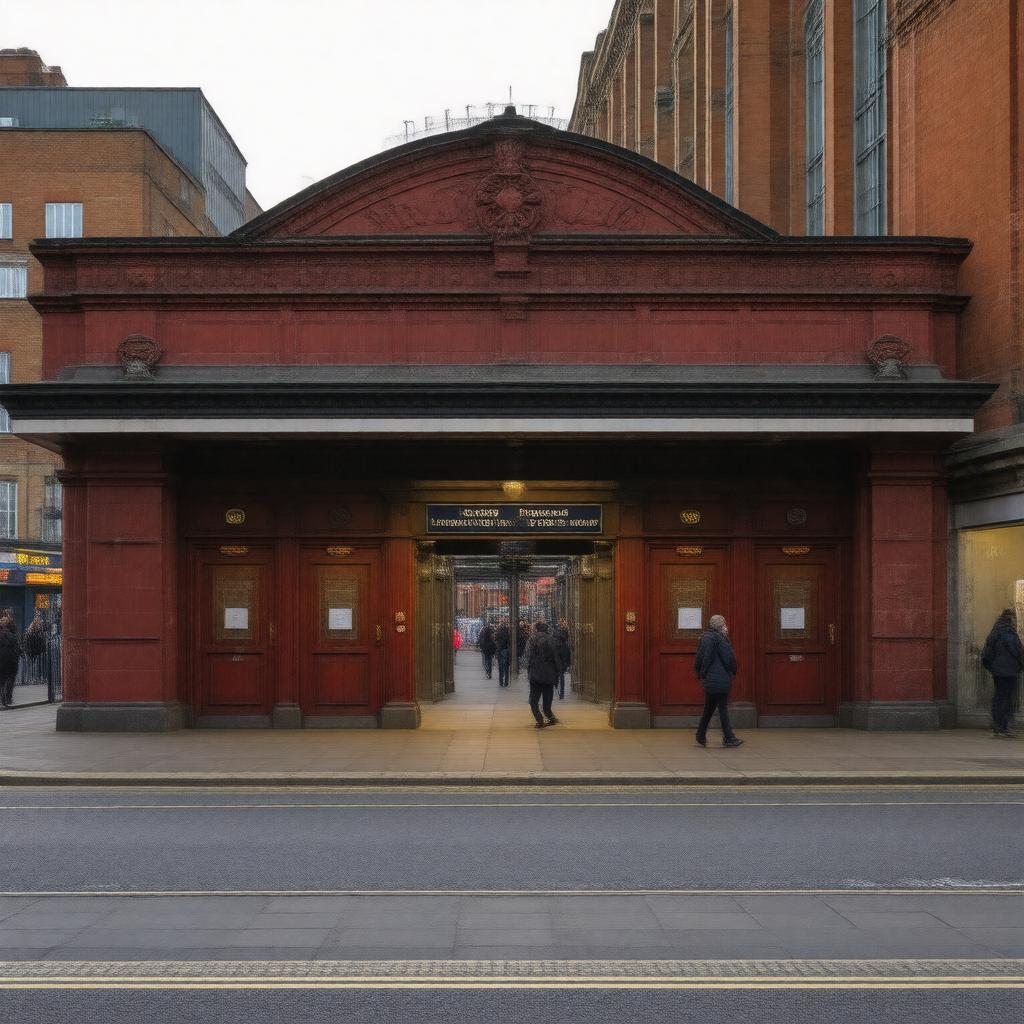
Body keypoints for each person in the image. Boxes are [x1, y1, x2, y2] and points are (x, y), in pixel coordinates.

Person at [694, 613, 743, 748]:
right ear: (721, 626)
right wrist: (733, 670)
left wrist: (700, 672)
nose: (726, 627)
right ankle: (729, 737)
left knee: (709, 708)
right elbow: (728, 658)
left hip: (710, 679)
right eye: (724, 624)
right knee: (722, 708)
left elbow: (700, 657)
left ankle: (700, 734)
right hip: (721, 679)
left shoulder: (704, 638)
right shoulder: (721, 639)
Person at [981, 608, 1024, 738]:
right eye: (1014, 619)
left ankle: (998, 727)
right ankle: (1003, 727)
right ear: (1010, 618)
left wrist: (992, 667)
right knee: (1007, 699)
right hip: (1009, 672)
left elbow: (986, 654)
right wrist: (1021, 665)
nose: (1016, 622)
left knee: (999, 697)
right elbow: (1017, 651)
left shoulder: (994, 632)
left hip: (998, 672)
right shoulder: (1009, 633)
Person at [524, 621, 564, 729]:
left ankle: (539, 720)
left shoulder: (532, 639)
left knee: (533, 700)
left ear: (536, 629)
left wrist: (529, 668)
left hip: (536, 674)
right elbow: (557, 658)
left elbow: (527, 656)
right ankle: (550, 717)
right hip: (549, 674)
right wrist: (558, 673)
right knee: (547, 700)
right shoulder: (552, 640)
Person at [0, 612, 22, 708]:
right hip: (12, 659)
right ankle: (7, 698)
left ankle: (4, 698)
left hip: (3, 658)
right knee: (10, 678)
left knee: (3, 679)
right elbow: (18, 646)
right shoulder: (14, 633)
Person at [554, 618, 572, 700]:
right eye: (560, 622)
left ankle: (562, 693)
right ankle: (557, 688)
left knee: (561, 674)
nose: (560, 623)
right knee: (558, 673)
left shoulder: (564, 630)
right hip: (558, 652)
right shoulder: (557, 630)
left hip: (562, 653)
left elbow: (565, 638)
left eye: (561, 622)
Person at [494, 617, 512, 687]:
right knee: (506, 667)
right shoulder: (508, 631)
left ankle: (501, 681)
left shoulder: (498, 631)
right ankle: (506, 682)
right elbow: (509, 641)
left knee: (500, 667)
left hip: (500, 650)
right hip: (505, 650)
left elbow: (496, 639)